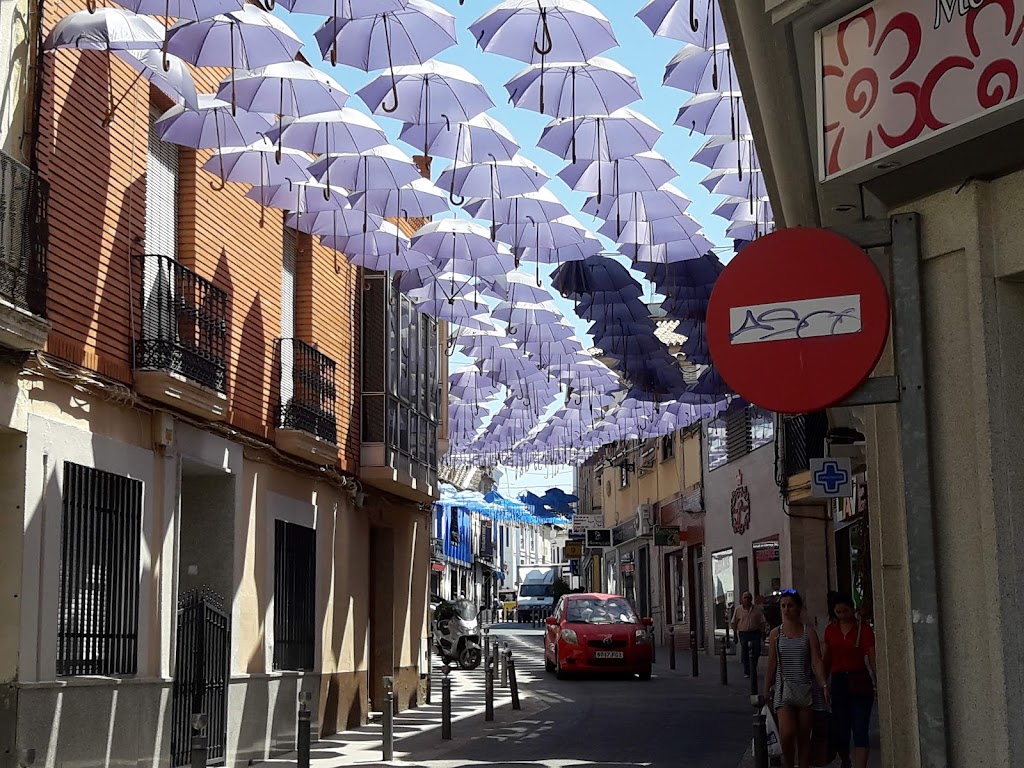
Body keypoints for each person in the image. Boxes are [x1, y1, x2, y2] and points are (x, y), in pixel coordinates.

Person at [762, 589, 830, 768]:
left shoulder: (809, 633)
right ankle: (789, 763)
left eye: (790, 606)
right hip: (783, 690)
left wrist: (823, 684)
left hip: (805, 689)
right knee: (787, 734)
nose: (786, 609)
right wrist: (766, 688)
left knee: (804, 737)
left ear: (798, 608)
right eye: (783, 606)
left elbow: (816, 660)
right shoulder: (776, 634)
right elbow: (771, 664)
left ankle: (803, 764)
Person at [823, 593, 877, 768]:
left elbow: (871, 655)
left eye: (845, 611)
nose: (842, 615)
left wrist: (878, 679)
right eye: (838, 612)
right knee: (841, 728)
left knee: (860, 727)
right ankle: (845, 759)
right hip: (839, 681)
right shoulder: (831, 630)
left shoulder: (863, 629)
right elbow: (827, 657)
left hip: (859, 679)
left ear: (852, 609)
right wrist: (823, 683)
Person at [731, 591, 768, 679]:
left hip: (755, 632)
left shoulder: (757, 609)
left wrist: (763, 633)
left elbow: (762, 622)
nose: (747, 600)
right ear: (742, 599)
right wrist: (735, 635)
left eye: (749, 598)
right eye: (745, 598)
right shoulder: (738, 610)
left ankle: (753, 667)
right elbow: (734, 622)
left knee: (756, 650)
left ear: (751, 599)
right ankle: (747, 670)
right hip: (743, 633)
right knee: (745, 651)